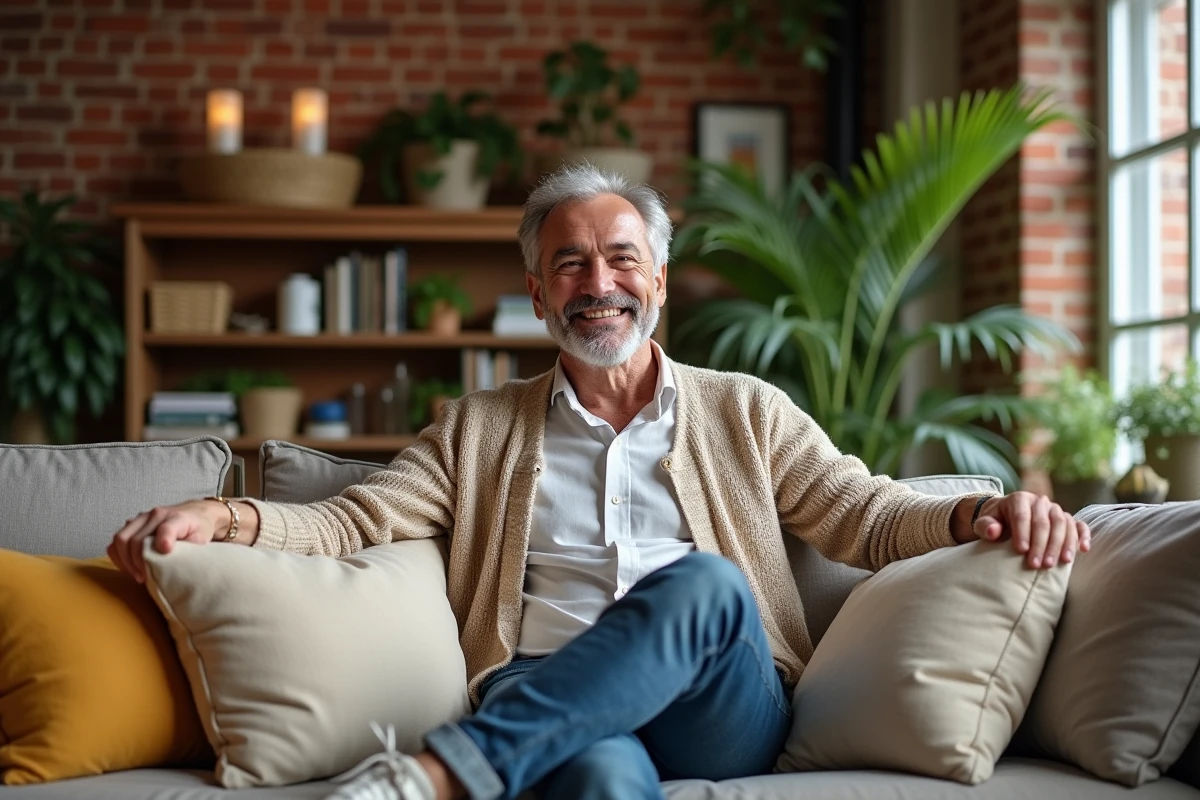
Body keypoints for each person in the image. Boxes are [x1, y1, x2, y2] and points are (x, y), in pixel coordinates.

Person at [109, 165, 1090, 800]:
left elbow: (862, 514)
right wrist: (225, 511)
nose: (598, 280)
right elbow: (356, 518)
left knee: (704, 583)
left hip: (720, 704)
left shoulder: (744, 407)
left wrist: (978, 508)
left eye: (622, 257)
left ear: (657, 280)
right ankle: (488, 759)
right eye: (568, 263)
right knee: (603, 782)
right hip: (548, 693)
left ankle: (437, 774)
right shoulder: (479, 427)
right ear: (537, 292)